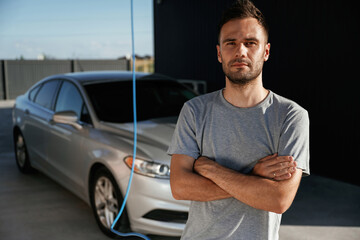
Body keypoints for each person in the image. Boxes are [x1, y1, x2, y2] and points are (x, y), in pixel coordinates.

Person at [167, 0, 310, 239]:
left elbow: (278, 199)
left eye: (250, 43)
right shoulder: (194, 111)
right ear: (219, 53)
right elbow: (179, 187)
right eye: (230, 43)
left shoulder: (291, 116)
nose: (240, 51)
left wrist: (208, 168)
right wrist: (254, 178)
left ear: (266, 51)